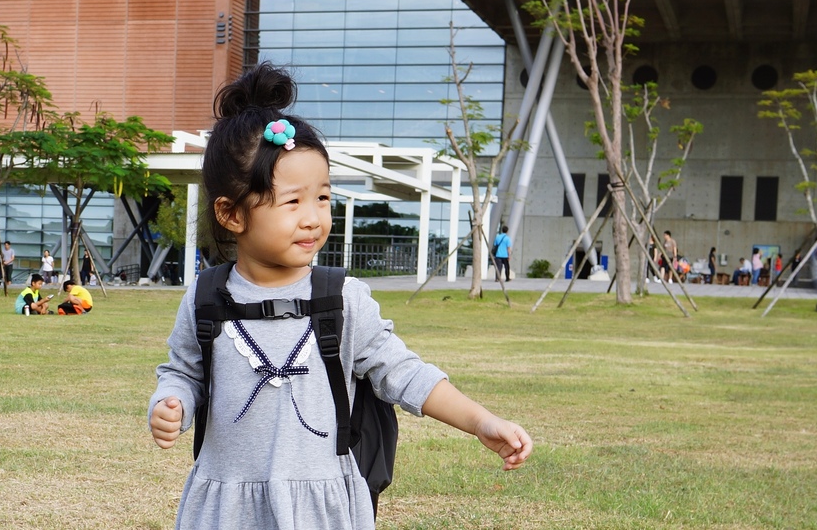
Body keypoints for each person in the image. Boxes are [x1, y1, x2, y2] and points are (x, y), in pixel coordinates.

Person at [148, 63, 532, 530]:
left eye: (323, 198)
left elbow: (403, 372)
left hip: (322, 505)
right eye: (292, 201)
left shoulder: (342, 298)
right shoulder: (205, 298)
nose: (313, 218)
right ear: (231, 214)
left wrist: (480, 422)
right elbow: (184, 372)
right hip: (226, 506)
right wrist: (171, 402)